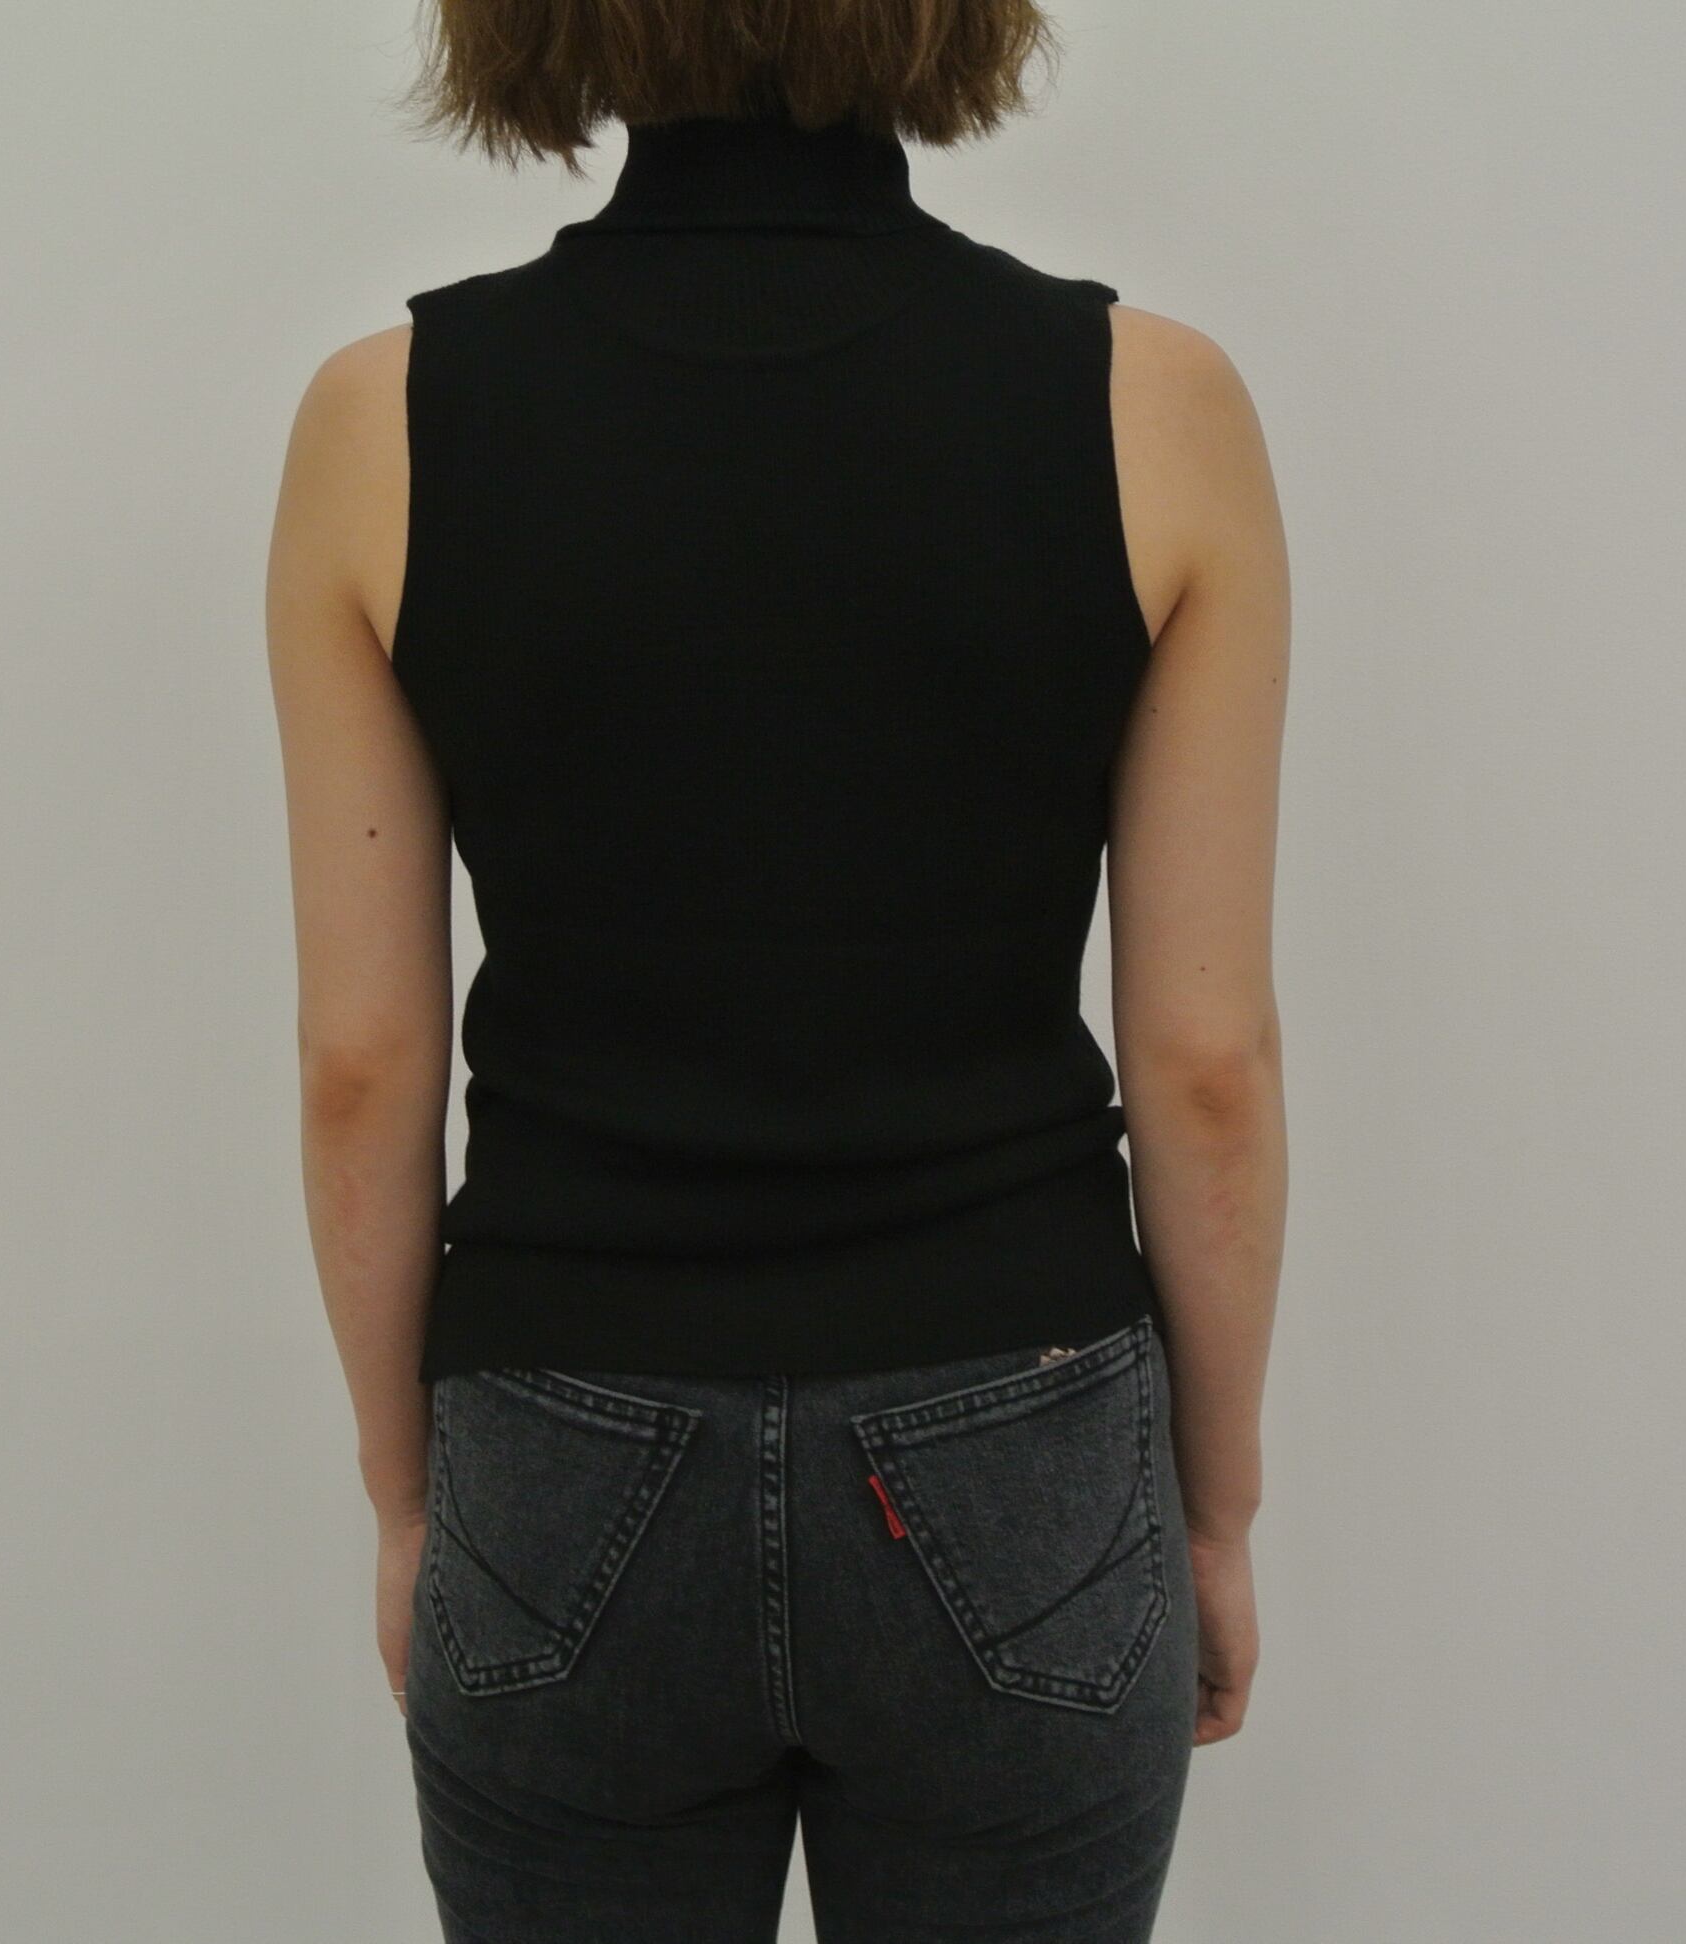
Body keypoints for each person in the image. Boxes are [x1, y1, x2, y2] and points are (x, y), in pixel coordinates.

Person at [265, 2, 1288, 1934]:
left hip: (562, 1437)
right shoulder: (1146, 404)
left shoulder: (383, 423)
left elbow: (361, 1066)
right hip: (1020, 1440)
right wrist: (1213, 1508)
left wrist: (413, 1499)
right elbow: (1207, 1062)